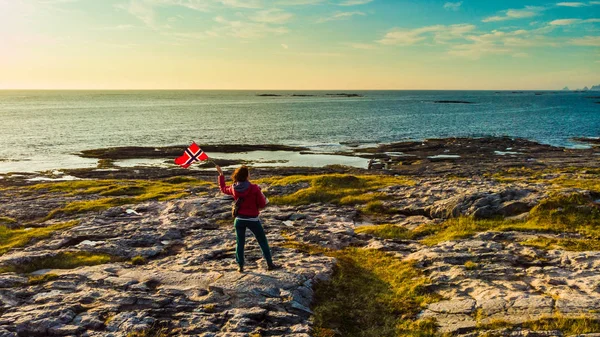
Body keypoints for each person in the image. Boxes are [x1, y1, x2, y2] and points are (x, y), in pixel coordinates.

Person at [216, 164, 280, 273]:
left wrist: (221, 175)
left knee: (240, 243)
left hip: (239, 220)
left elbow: (223, 189)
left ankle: (240, 266)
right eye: (249, 173)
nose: (250, 175)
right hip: (253, 220)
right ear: (246, 176)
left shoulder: (233, 187)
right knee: (262, 241)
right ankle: (270, 264)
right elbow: (262, 203)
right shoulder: (254, 188)